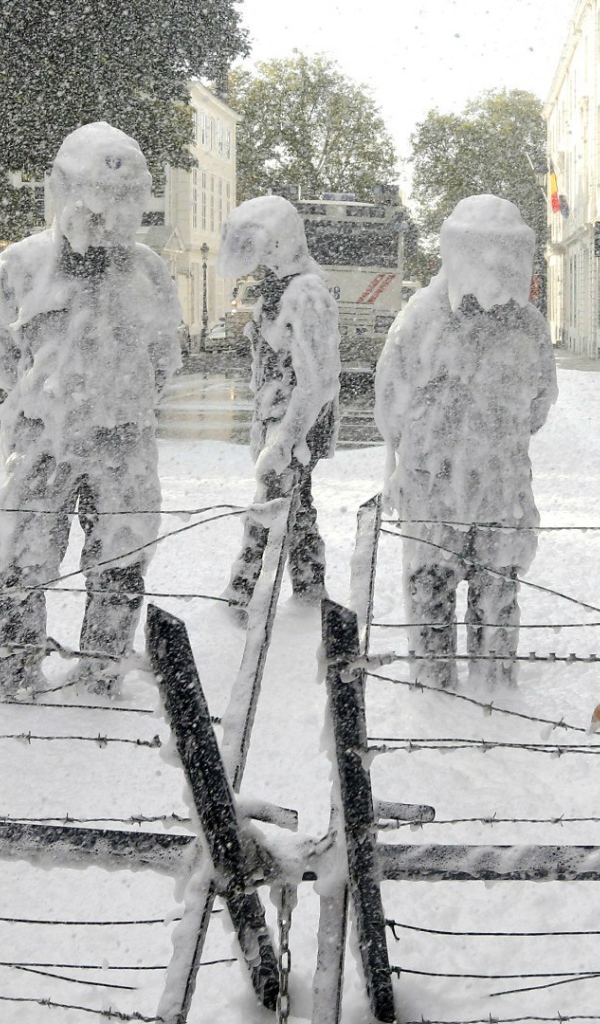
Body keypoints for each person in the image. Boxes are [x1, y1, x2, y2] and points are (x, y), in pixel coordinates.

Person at [0, 122, 181, 695]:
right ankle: (14, 666)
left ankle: (102, 669)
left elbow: (165, 358)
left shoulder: (150, 271)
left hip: (123, 440)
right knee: (19, 557)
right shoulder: (22, 265)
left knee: (122, 556)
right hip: (40, 440)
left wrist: (121, 405)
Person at [375, 194, 557, 688]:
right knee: (439, 589)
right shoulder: (424, 319)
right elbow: (390, 408)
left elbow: (538, 405)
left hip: (491, 491)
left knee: (489, 591)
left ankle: (487, 686)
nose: (496, 268)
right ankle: (443, 688)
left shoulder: (521, 326)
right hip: (446, 491)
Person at [217, 195, 341, 620]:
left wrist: (286, 438)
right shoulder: (276, 291)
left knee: (268, 510)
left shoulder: (305, 295)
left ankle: (238, 598)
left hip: (294, 429)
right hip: (279, 424)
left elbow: (320, 379)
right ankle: (310, 591)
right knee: (297, 508)